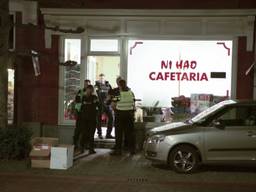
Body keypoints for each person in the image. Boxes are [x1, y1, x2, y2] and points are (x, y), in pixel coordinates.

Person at [111, 79, 136, 156]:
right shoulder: (131, 93)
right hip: (129, 115)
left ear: (120, 85)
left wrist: (115, 110)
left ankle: (118, 150)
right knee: (130, 133)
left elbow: (113, 105)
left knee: (118, 133)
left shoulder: (118, 94)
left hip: (120, 115)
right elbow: (133, 103)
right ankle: (132, 149)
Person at [79, 85, 99, 154]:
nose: (89, 91)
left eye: (91, 90)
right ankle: (82, 147)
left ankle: (91, 149)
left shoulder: (95, 97)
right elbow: (80, 106)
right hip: (84, 118)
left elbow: (98, 105)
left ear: (92, 91)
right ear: (86, 90)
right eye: (88, 89)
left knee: (91, 134)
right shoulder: (83, 97)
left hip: (92, 118)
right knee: (84, 133)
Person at [73, 79, 91, 150]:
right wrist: (76, 111)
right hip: (80, 113)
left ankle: (84, 144)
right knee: (78, 129)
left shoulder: (91, 93)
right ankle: (75, 144)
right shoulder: (80, 91)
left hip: (87, 114)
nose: (86, 85)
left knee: (86, 130)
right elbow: (77, 101)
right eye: (85, 84)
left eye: (87, 84)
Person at [95, 73, 114, 139]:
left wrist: (110, 101)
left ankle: (108, 134)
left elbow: (111, 94)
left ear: (104, 78)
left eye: (103, 78)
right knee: (98, 119)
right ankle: (99, 134)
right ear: (99, 78)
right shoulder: (96, 85)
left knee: (111, 118)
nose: (102, 79)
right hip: (100, 104)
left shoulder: (108, 85)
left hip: (107, 104)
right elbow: (95, 95)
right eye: (100, 78)